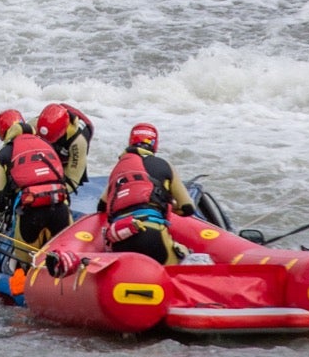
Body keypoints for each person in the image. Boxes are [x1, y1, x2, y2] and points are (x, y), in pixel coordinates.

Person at [97, 122, 196, 266]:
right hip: (153, 232)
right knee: (184, 258)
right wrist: (165, 204)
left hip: (121, 236)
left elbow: (102, 206)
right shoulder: (165, 165)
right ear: (155, 145)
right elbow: (188, 208)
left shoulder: (119, 168)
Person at [0, 115, 72, 264]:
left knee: (28, 267)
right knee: (63, 265)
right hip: (60, 209)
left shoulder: (2, 154)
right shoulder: (47, 145)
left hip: (30, 215)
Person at [33, 102, 94, 193]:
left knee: (62, 176)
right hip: (54, 128)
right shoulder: (33, 125)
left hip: (68, 145)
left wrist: (51, 194)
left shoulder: (79, 141)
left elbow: (73, 180)